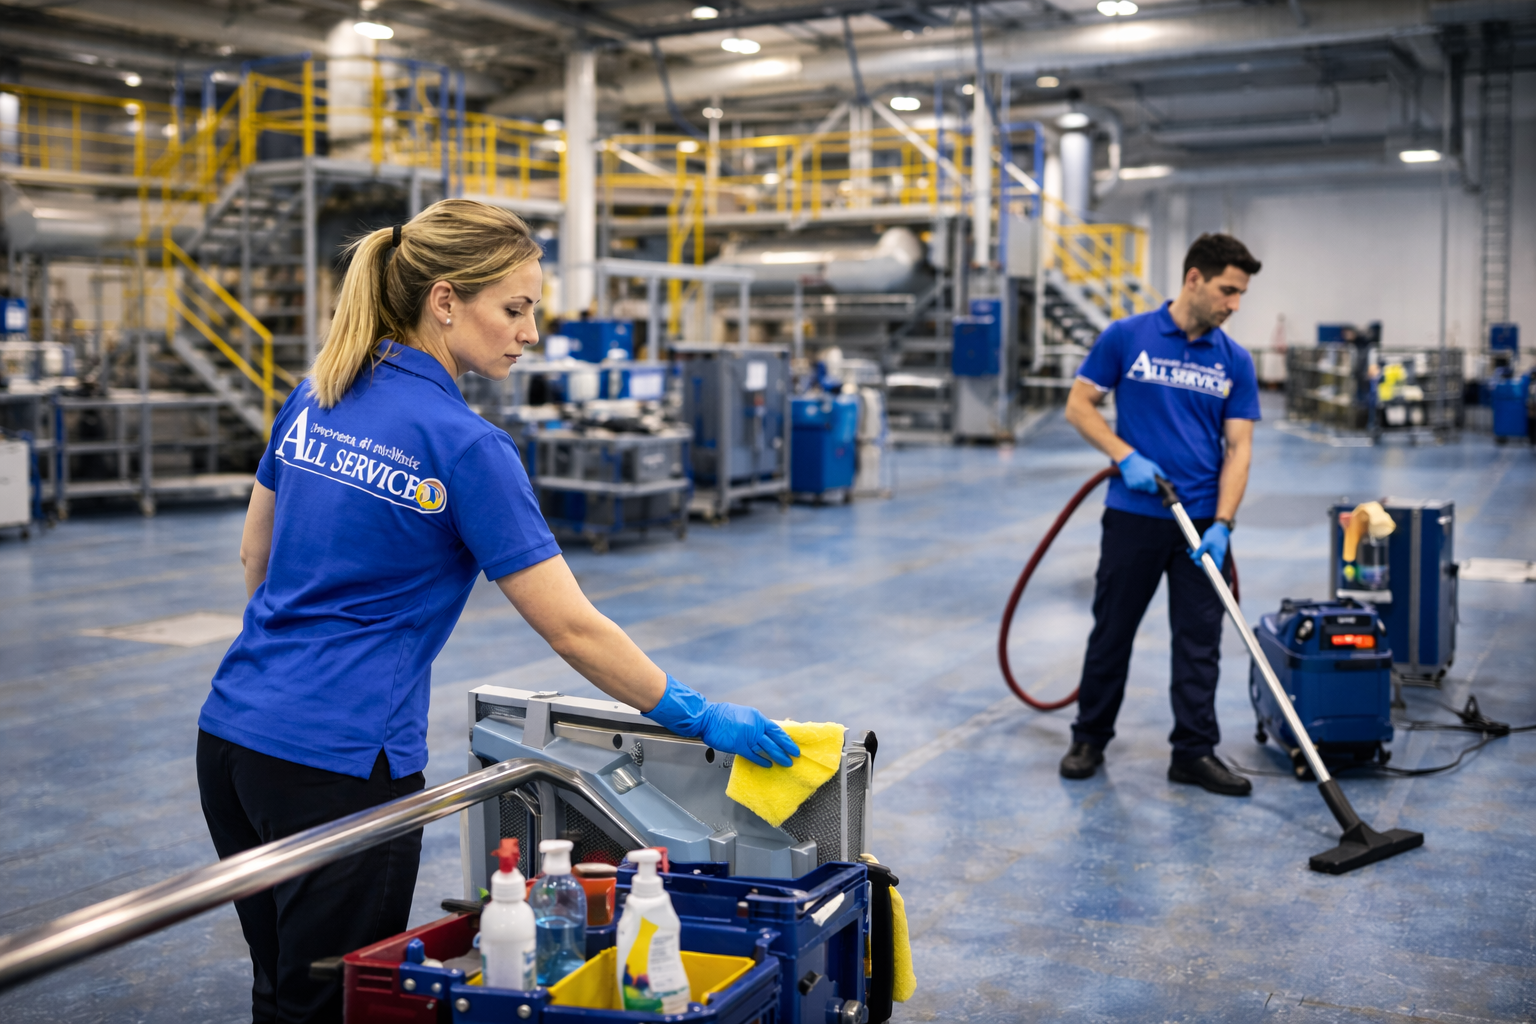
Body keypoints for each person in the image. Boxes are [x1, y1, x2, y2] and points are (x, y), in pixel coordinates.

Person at [195, 199, 800, 1023]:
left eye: (535, 311)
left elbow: (254, 558)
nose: (531, 332)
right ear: (445, 300)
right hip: (339, 764)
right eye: (514, 308)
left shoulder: (317, 393)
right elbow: (571, 627)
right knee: (335, 1006)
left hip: (233, 739)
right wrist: (696, 717)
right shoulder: (468, 447)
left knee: (282, 988)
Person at [1058, 232, 1262, 796]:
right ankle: (1089, 737)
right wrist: (1125, 456)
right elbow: (1079, 405)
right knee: (1112, 632)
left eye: (1241, 294)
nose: (1234, 305)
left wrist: (1223, 524)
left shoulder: (1234, 361)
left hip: (1200, 526)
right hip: (1134, 516)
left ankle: (1193, 752)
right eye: (1228, 290)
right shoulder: (1128, 337)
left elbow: (1240, 448)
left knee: (1199, 642)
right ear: (1193, 278)